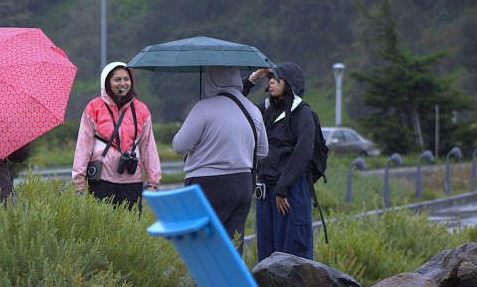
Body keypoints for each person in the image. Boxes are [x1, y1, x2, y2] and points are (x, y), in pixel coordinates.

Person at [172, 66, 268, 254]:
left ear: (212, 79)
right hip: (243, 184)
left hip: (207, 184)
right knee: (232, 246)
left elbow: (180, 145)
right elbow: (263, 151)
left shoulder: (204, 108)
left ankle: (201, 283)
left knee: (201, 245)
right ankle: (230, 283)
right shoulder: (252, 110)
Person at [244, 62, 316, 262]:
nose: (272, 81)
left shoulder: (303, 114)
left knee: (293, 256)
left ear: (290, 83)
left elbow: (302, 154)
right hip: (266, 192)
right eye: (270, 78)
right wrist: (253, 78)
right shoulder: (264, 111)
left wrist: (283, 189)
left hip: (290, 192)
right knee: (267, 256)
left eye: (278, 78)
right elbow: (235, 104)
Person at [72, 62, 161, 210]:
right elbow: (83, 146)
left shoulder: (141, 110)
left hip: (132, 182)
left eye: (126, 79)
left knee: (131, 228)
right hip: (101, 181)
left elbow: (148, 147)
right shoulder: (94, 107)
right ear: (107, 82)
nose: (123, 83)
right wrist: (79, 182)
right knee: (101, 228)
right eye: (117, 79)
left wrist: (153, 183)